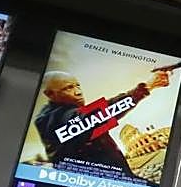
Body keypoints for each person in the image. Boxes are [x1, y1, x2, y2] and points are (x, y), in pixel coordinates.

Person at [33, 68, 173, 175]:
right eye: (69, 88)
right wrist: (146, 87)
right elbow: (98, 115)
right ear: (50, 94)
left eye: (77, 85)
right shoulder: (51, 119)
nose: (78, 92)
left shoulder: (73, 115)